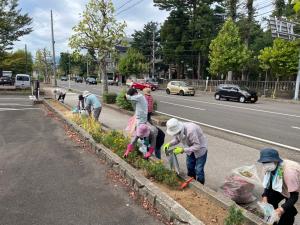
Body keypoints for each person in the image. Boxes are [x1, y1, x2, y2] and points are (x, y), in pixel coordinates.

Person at [258, 148, 300, 225]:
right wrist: (264, 196)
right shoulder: (267, 168)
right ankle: (273, 220)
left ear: (276, 160)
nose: (266, 164)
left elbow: (294, 196)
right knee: (270, 199)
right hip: (280, 185)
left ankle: (288, 218)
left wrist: (281, 209)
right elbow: (268, 184)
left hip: (293, 186)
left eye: (268, 162)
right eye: (264, 162)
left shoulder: (289, 172)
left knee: (287, 211)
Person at [163, 118, 208, 184]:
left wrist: (182, 150)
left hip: (200, 150)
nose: (176, 134)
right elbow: (177, 139)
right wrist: (169, 144)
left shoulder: (191, 130)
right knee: (190, 167)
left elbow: (197, 146)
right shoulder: (178, 130)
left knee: (199, 170)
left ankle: (200, 186)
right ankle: (192, 183)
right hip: (189, 150)